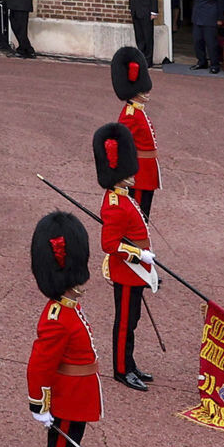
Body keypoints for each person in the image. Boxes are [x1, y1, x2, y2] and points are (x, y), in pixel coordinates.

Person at [27, 210, 102, 447]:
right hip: (65, 403)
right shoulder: (57, 317)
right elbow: (40, 366)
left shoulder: (69, 308)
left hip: (78, 400)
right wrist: (39, 405)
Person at [95, 122, 156, 393]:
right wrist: (138, 253)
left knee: (133, 319)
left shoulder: (124, 196)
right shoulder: (116, 204)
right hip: (127, 270)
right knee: (125, 323)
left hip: (138, 267)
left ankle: (129, 364)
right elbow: (109, 244)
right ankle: (121, 369)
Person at [111, 45, 158, 220]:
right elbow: (121, 145)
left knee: (143, 216)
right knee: (137, 218)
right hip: (139, 174)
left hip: (147, 173)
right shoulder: (130, 115)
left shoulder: (138, 111)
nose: (146, 92)